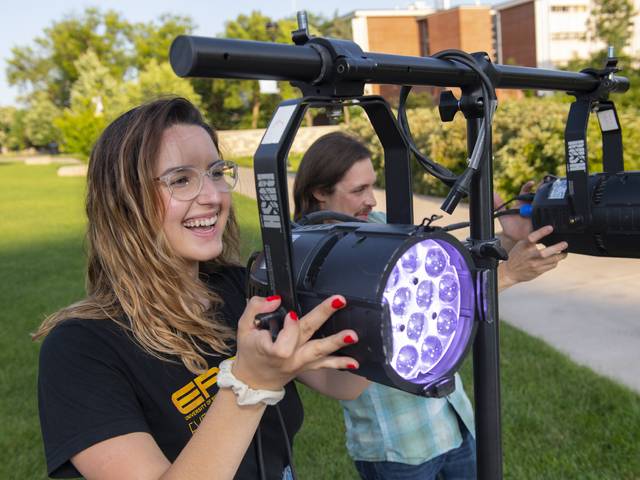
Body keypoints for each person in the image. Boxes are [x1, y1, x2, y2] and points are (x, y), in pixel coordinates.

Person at [35, 98, 369, 480]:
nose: (212, 196)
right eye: (180, 179)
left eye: (215, 172)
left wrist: (370, 303)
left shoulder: (239, 290)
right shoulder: (81, 350)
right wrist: (250, 382)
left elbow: (343, 382)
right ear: (123, 202)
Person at [293, 131, 568, 480]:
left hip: (451, 419)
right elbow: (406, 319)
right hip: (397, 447)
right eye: (359, 190)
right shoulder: (304, 259)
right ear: (319, 191)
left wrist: (508, 238)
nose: (372, 201)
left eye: (372, 186)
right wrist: (507, 276)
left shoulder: (373, 226)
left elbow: (447, 273)